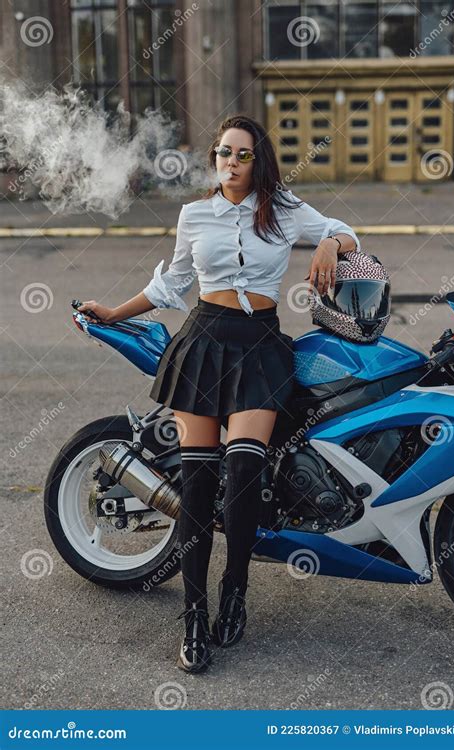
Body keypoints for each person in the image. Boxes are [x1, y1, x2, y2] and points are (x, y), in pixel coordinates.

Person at [78, 114, 360, 674]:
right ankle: (193, 614)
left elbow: (346, 230)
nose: (230, 163)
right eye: (223, 153)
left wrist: (331, 240)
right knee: (199, 487)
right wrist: (114, 311)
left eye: (242, 155)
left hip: (259, 345)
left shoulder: (281, 209)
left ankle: (236, 592)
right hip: (203, 342)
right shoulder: (195, 214)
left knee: (245, 472)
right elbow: (172, 283)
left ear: (260, 161)